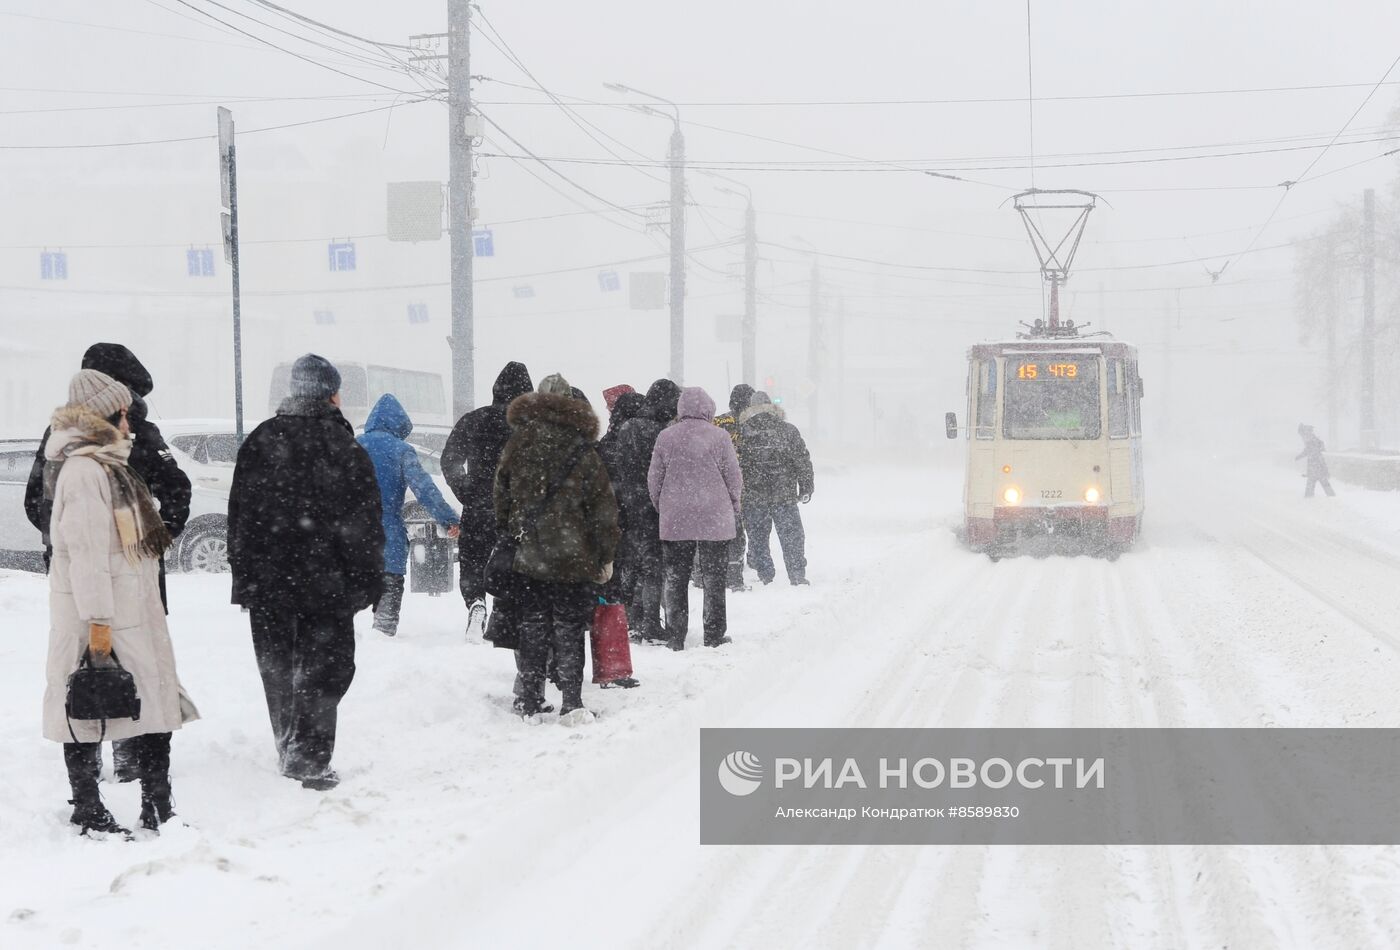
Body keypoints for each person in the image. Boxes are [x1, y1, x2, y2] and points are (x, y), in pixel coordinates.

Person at [25, 343, 192, 786]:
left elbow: (177, 488)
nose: (129, 415)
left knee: (119, 667)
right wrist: (79, 542)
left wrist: (150, 537)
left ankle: (124, 752)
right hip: (95, 579)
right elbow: (47, 507)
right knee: (102, 666)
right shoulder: (80, 453)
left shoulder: (119, 436)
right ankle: (114, 760)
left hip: (129, 574)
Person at [227, 354, 384, 790]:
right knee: (326, 669)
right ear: (333, 395)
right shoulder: (344, 449)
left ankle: (289, 745)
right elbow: (364, 526)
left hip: (269, 584)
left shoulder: (261, 440)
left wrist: (245, 574)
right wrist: (366, 583)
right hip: (326, 584)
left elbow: (238, 515)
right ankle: (309, 757)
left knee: (277, 666)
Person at [495, 373, 619, 721]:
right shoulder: (582, 447)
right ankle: (572, 702)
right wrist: (605, 553)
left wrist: (511, 530)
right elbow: (602, 508)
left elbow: (500, 496)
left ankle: (531, 700)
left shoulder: (518, 443)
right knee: (568, 626)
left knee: (533, 624)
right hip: (573, 554)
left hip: (530, 553)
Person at [441, 361, 534, 636]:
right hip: (515, 510)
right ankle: (507, 615)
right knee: (512, 562)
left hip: (479, 504)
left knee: (473, 559)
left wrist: (467, 491)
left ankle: (475, 602)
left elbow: (450, 460)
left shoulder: (474, 419)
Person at [357, 394, 461, 637]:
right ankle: (382, 634)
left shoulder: (353, 445)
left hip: (353, 537)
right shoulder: (402, 451)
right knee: (389, 591)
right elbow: (425, 490)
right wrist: (448, 518)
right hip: (388, 535)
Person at [649, 387, 743, 650]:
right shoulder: (720, 436)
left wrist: (663, 506)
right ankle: (713, 634)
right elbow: (733, 476)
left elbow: (654, 478)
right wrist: (733, 505)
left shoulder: (666, 437)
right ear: (708, 409)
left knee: (676, 578)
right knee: (714, 579)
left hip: (676, 518)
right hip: (715, 515)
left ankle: (676, 635)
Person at [614, 379, 681, 643]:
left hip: (629, 504)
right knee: (654, 566)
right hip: (654, 505)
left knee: (634, 564)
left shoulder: (627, 427)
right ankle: (650, 623)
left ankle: (632, 618)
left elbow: (622, 468)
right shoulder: (661, 432)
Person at [739, 391, 814, 585]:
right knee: (792, 536)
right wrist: (806, 487)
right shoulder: (788, 430)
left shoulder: (743, 432)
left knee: (758, 537)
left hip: (754, 496)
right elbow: (802, 461)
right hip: (784, 494)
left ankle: (766, 575)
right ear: (772, 407)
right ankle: (797, 574)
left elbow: (737, 465)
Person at [712, 384, 755, 591]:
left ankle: (706, 574)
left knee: (720, 531)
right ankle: (737, 573)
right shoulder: (753, 423)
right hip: (747, 484)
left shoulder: (718, 422)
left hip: (718, 484)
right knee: (743, 529)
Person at [1296, 423, 1335, 498]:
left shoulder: (1310, 438)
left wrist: (1301, 456)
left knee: (1314, 480)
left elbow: (1310, 450)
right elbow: (1308, 450)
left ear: (1303, 432)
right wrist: (1300, 456)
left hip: (1316, 464)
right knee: (1320, 480)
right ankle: (1330, 495)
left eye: (1301, 434)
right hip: (1316, 464)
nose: (1301, 437)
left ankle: (1309, 496)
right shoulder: (1310, 438)